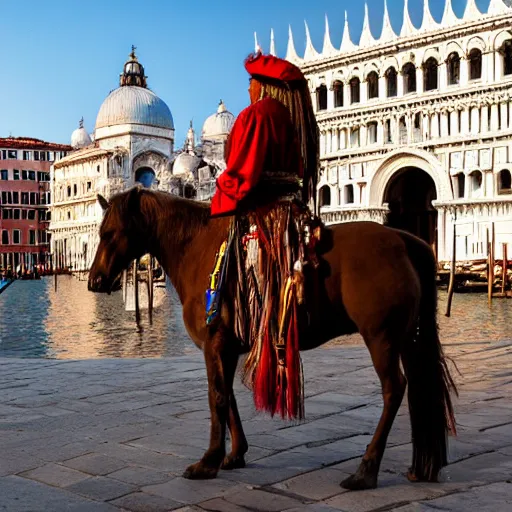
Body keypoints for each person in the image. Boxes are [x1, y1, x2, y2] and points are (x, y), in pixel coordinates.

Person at [207, 51, 320, 420]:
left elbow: (241, 176)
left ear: (264, 85)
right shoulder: (296, 120)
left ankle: (257, 334)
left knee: (237, 279)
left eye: (252, 82)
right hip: (293, 215)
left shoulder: (257, 115)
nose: (249, 88)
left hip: (266, 221)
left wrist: (217, 201)